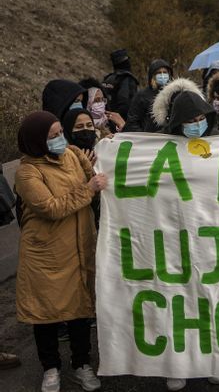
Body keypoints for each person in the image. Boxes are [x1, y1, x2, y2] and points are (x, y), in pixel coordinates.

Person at [15, 111, 107, 392]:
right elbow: (51, 207)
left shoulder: (73, 155)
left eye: (60, 133)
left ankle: (82, 364)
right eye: (52, 136)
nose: (60, 139)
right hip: (46, 254)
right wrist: (88, 189)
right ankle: (50, 368)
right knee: (45, 313)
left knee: (80, 309)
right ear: (36, 141)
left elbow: (97, 181)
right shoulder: (27, 172)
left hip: (80, 245)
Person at [152, 79, 218, 138]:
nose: (198, 125)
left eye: (202, 119)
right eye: (191, 121)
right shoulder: (161, 141)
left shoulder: (217, 137)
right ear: (178, 122)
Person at [125, 59, 173, 133]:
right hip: (149, 138)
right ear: (152, 75)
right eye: (159, 73)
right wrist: (143, 136)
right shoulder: (142, 95)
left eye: (165, 72)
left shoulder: (174, 93)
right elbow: (132, 121)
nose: (162, 75)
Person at [102, 49, 139, 119]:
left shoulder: (108, 78)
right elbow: (125, 104)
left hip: (106, 117)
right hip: (119, 120)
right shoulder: (127, 79)